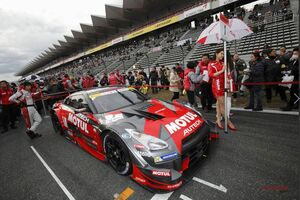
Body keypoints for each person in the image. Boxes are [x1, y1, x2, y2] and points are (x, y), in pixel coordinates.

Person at [208, 49, 237, 131]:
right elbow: (211, 75)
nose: (222, 56)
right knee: (222, 104)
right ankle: (228, 122)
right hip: (216, 84)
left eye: (223, 54)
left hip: (223, 84)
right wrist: (221, 71)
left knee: (218, 104)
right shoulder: (211, 63)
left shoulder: (223, 63)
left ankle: (218, 120)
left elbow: (227, 74)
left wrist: (228, 80)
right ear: (216, 54)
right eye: (221, 54)